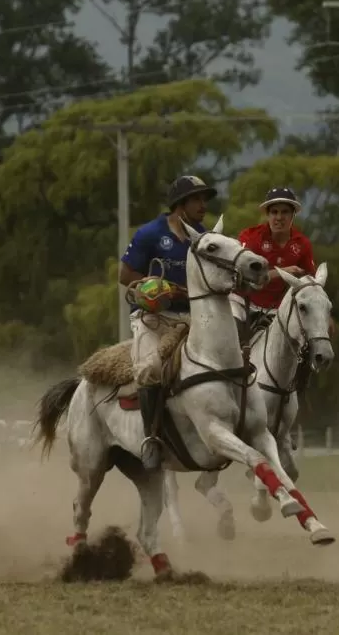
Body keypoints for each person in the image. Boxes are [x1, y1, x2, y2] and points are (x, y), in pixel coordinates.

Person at [119, 174, 215, 469]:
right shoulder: (150, 233)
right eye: (197, 199)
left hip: (194, 317)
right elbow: (125, 276)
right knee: (149, 369)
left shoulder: (204, 237)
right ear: (179, 204)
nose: (203, 205)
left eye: (204, 199)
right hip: (154, 318)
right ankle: (151, 439)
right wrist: (151, 285)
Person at [228, 187, 317, 337]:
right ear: (267, 215)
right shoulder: (250, 237)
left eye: (285, 212)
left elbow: (311, 283)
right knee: (231, 335)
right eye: (274, 212)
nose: (279, 217)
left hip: (276, 310)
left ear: (293, 214)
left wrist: (324, 315)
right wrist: (282, 273)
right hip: (242, 303)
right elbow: (241, 277)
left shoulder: (303, 244)